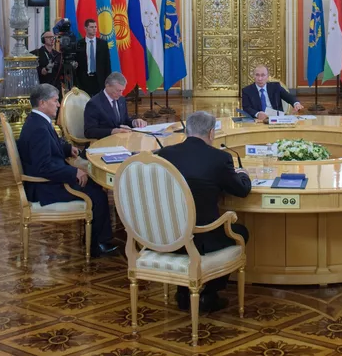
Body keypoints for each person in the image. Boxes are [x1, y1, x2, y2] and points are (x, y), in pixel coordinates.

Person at [157, 111, 251, 312]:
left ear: (187, 131)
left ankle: (184, 291)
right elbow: (242, 190)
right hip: (201, 237)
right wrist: (243, 175)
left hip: (168, 235)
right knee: (240, 232)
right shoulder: (219, 158)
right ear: (211, 133)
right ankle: (209, 294)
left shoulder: (165, 154)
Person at [17, 84, 117, 258]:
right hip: (45, 188)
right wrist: (74, 173)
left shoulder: (37, 121)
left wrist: (66, 149)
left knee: (94, 183)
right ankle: (97, 245)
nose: (58, 105)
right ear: (42, 103)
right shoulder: (39, 128)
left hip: (49, 181)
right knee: (98, 195)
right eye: (55, 101)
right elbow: (44, 167)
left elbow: (47, 149)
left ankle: (95, 237)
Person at [84, 72, 147, 139]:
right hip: (104, 141)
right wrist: (112, 131)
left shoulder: (121, 99)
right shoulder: (94, 104)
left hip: (121, 140)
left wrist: (134, 122)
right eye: (118, 90)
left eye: (122, 91)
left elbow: (124, 121)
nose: (121, 94)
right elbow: (89, 132)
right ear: (107, 86)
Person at [74, 19, 111, 97]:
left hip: (99, 79)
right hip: (84, 79)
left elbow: (107, 64)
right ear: (85, 28)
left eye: (95, 27)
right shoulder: (79, 44)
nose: (94, 29)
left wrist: (108, 81)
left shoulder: (103, 44)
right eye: (91, 27)